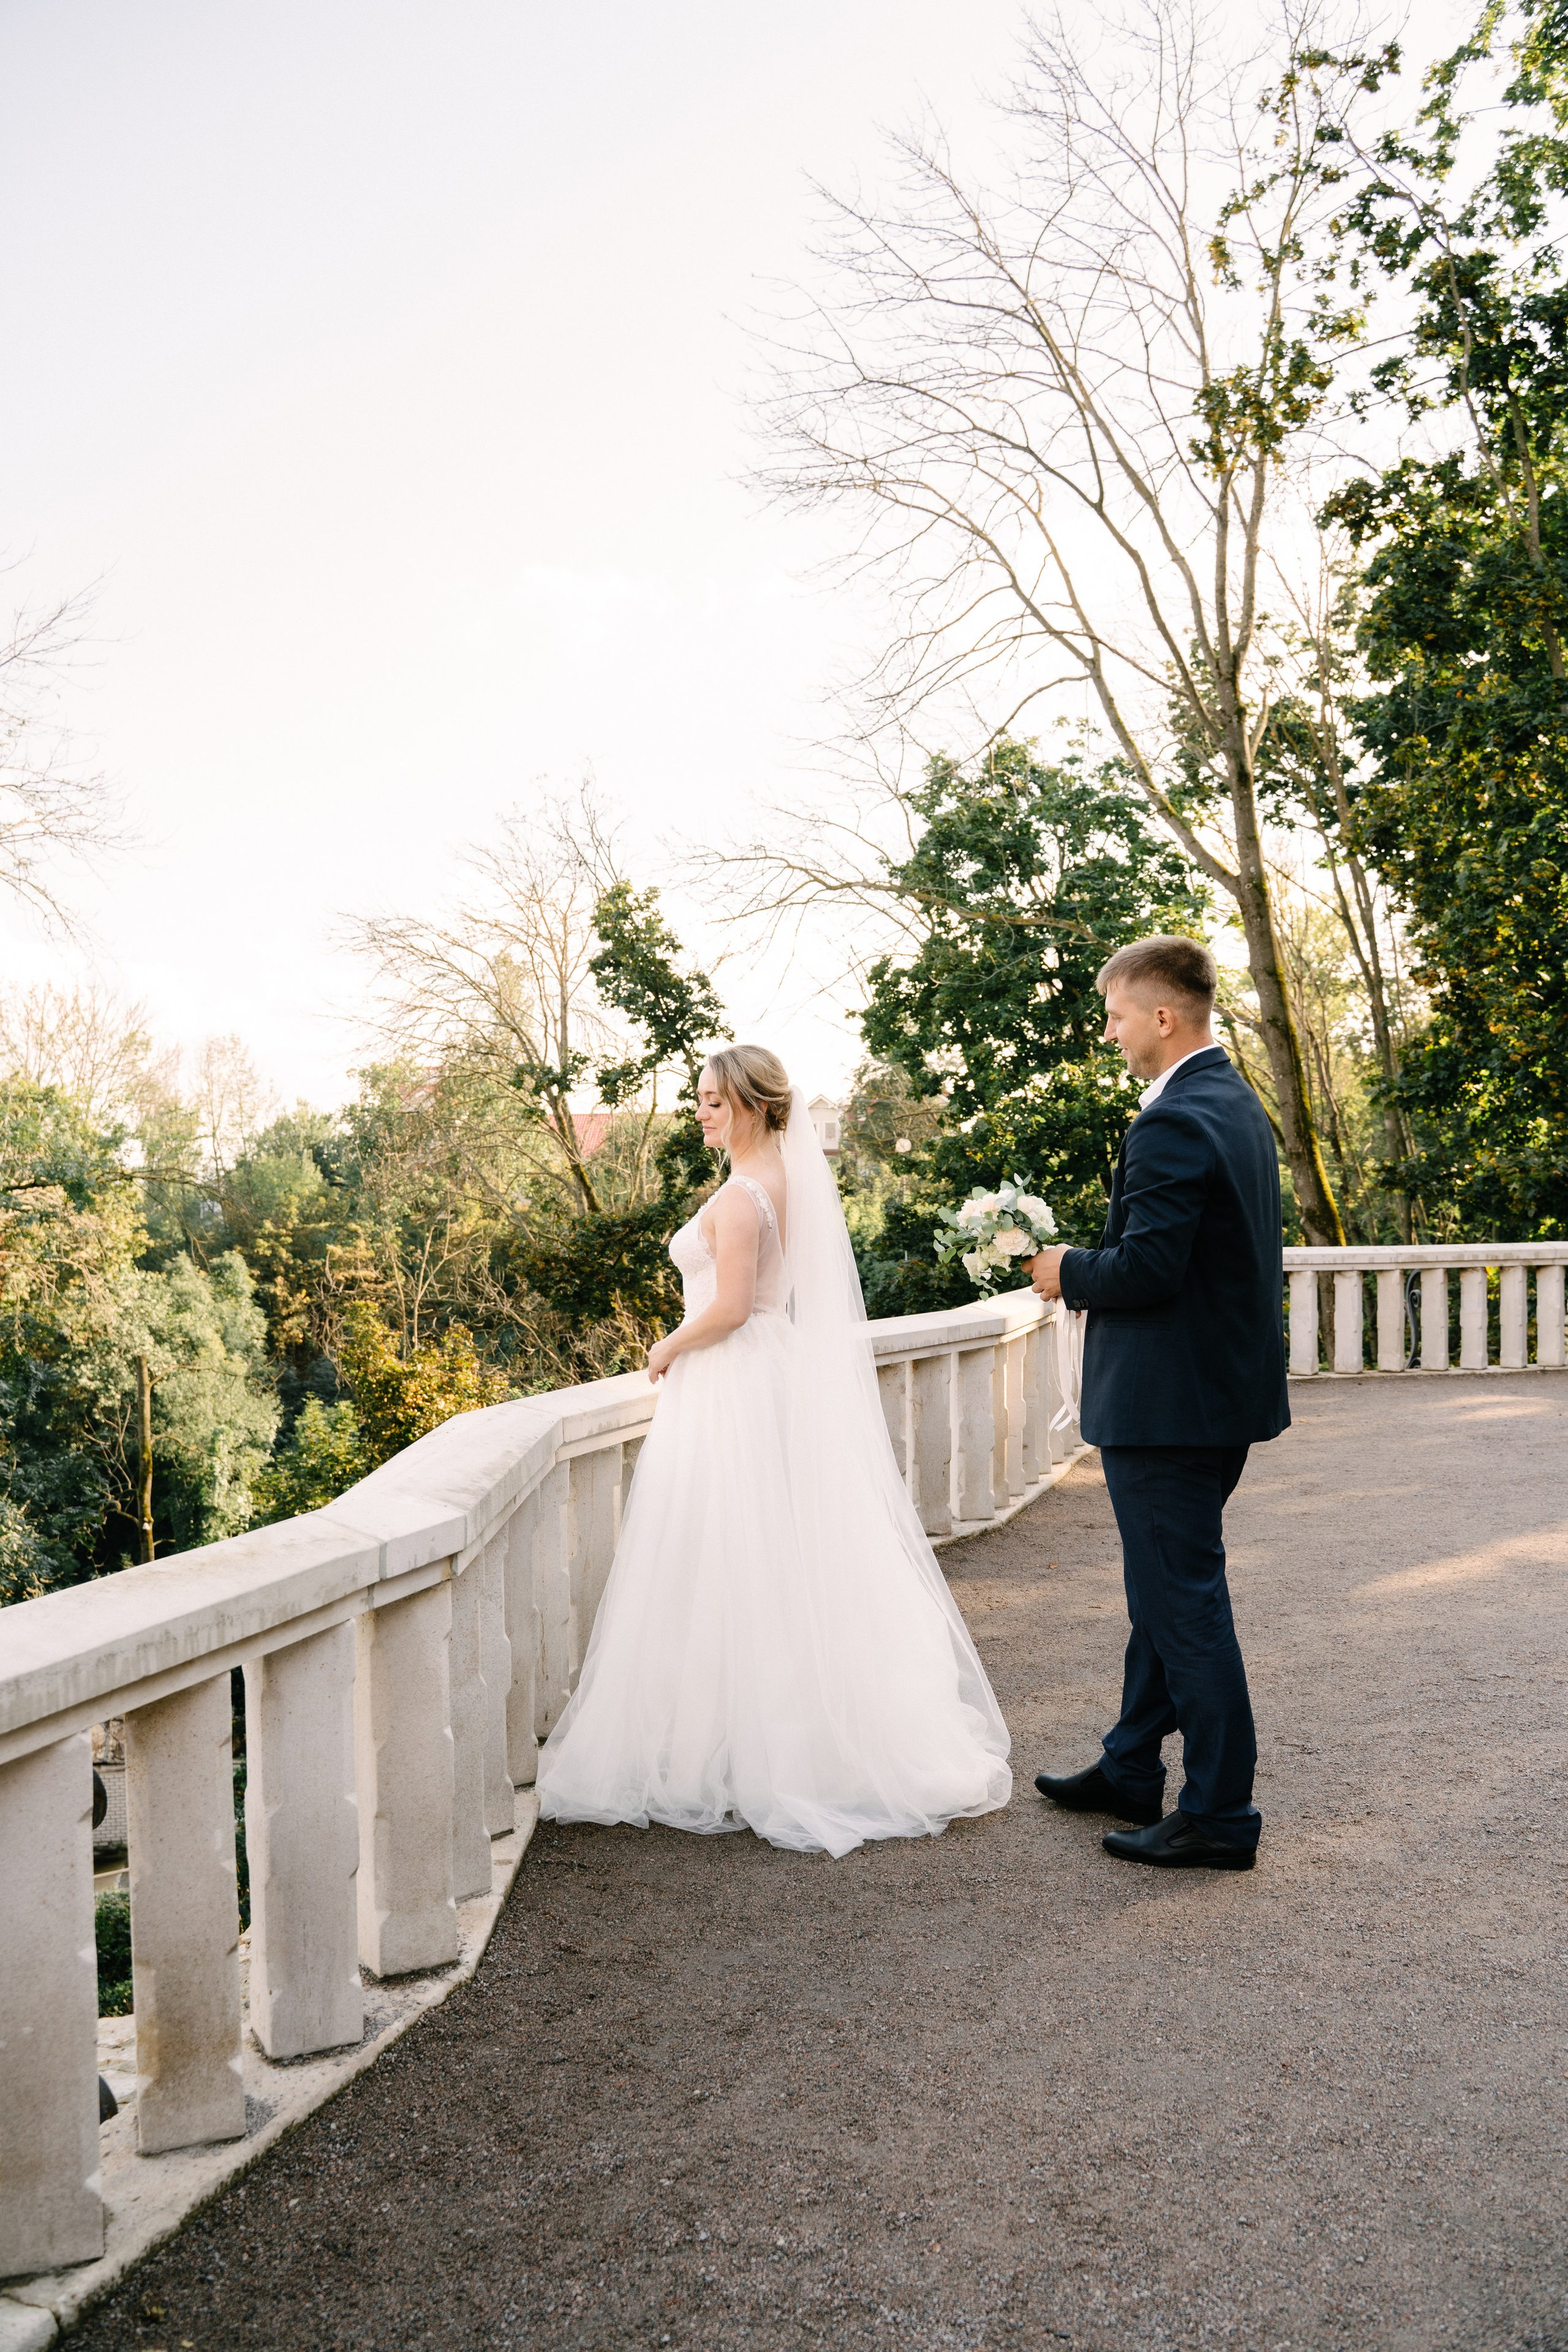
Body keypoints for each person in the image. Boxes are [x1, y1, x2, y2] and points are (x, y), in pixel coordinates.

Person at [535, 1044, 1012, 1858]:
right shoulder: (784, 1184)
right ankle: (771, 1733)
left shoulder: (742, 1196)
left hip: (729, 1378)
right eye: (700, 1099)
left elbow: (728, 1309)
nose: (701, 1113)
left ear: (755, 1106)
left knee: (726, 1552)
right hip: (766, 1372)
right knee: (773, 1554)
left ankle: (734, 1747)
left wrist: (665, 1346)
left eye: (714, 1101)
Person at [1026, 937, 1288, 1870]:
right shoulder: (1236, 1103)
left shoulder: (1174, 1120)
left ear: (1164, 1017)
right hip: (1217, 1400)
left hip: (1167, 1408)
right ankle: (1133, 1764)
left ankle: (1221, 1816)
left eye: (1117, 1016)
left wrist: (1066, 1269)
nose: (1111, 1033)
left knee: (1184, 1605)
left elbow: (1148, 1268)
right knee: (1162, 1594)